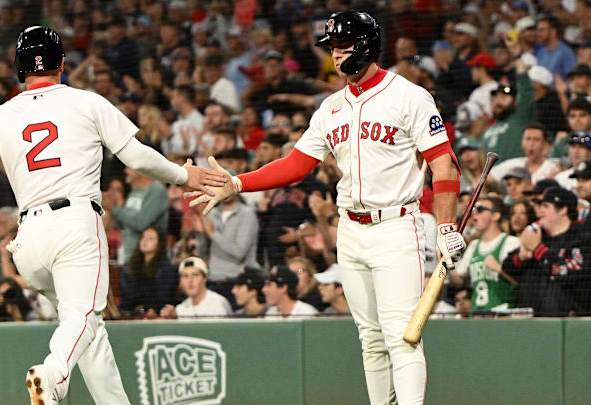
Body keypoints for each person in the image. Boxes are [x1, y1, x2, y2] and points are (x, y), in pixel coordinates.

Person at [188, 11, 465, 405]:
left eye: (342, 46)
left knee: (401, 336)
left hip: (396, 226)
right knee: (370, 340)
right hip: (349, 229)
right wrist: (237, 182)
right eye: (331, 47)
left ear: (366, 46)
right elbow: (296, 164)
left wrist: (447, 225)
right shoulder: (331, 107)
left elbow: (443, 161)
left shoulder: (409, 96)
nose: (335, 55)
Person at [0, 27, 225, 405]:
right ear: (63, 63)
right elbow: (136, 156)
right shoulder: (86, 101)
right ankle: (53, 376)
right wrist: (184, 174)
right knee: (82, 317)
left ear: (18, 68)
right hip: (75, 224)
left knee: (89, 332)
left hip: (29, 238)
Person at [502, 187, 591, 316]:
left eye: (545, 206)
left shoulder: (581, 238)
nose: (540, 210)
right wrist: (520, 257)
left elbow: (568, 272)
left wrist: (538, 250)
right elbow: (507, 268)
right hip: (531, 321)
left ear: (563, 210)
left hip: (569, 323)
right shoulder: (540, 237)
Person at [451, 196, 520, 313]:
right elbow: (458, 280)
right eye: (474, 210)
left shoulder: (510, 242)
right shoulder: (474, 245)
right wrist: (447, 262)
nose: (475, 214)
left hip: (502, 316)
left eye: (480, 210)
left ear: (495, 216)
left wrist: (499, 269)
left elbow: (521, 283)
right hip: (477, 315)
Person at [120, 227, 178, 317]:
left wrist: (153, 311)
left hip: (158, 314)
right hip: (132, 313)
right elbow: (126, 295)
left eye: (150, 238)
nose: (145, 241)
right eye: (143, 237)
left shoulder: (166, 268)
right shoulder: (129, 266)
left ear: (159, 243)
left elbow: (164, 297)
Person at [159, 257, 232, 319]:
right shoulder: (181, 309)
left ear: (205, 278)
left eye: (195, 275)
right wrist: (174, 319)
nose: (190, 280)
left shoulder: (217, 303)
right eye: (185, 276)